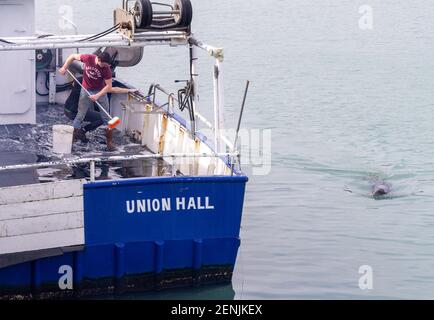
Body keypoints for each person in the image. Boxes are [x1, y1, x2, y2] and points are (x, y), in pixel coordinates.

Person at [59, 52, 115, 150]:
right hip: (85, 90)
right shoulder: (88, 58)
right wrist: (64, 67)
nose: (106, 66)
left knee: (108, 119)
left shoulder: (107, 70)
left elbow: (109, 87)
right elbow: (72, 56)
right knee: (80, 116)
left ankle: (109, 143)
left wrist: (97, 96)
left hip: (100, 91)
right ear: (98, 59)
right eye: (104, 64)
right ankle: (71, 142)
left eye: (107, 65)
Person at [64, 75, 138, 143]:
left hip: (67, 108)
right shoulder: (92, 86)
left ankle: (75, 134)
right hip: (74, 111)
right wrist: (129, 90)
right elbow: (113, 89)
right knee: (103, 118)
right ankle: (82, 131)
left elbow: (73, 83)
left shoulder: (80, 79)